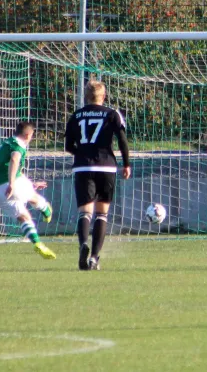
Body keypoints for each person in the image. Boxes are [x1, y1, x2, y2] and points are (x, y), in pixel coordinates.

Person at [65, 80, 131, 271]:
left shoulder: (76, 115)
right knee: (102, 213)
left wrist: (82, 153)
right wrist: (126, 164)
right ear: (104, 96)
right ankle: (94, 257)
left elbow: (68, 146)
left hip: (83, 168)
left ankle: (83, 243)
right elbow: (123, 141)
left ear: (86, 96)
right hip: (106, 168)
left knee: (85, 212)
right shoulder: (112, 114)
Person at [0, 121, 56, 259]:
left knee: (23, 217)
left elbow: (9, 166)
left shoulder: (6, 143)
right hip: (11, 183)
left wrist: (27, 183)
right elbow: (14, 160)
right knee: (34, 198)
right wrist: (12, 184)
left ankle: (37, 243)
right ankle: (45, 209)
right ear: (27, 134)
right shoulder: (19, 145)